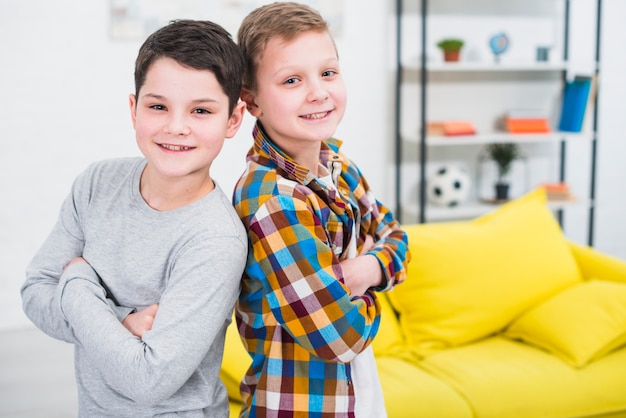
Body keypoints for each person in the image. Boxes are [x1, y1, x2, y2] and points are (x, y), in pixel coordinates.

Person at [21, 19, 248, 417]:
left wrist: (76, 281)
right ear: (134, 107)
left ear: (233, 119)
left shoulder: (216, 239)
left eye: (201, 110)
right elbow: (36, 291)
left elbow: (148, 380)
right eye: (158, 106)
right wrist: (122, 320)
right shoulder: (97, 183)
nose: (176, 127)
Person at [232, 3, 410, 417]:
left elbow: (399, 239)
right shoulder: (273, 200)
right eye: (292, 79)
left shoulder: (339, 168)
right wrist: (375, 271)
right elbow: (340, 338)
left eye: (327, 72)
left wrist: (363, 272)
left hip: (360, 399)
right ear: (251, 101)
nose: (318, 92)